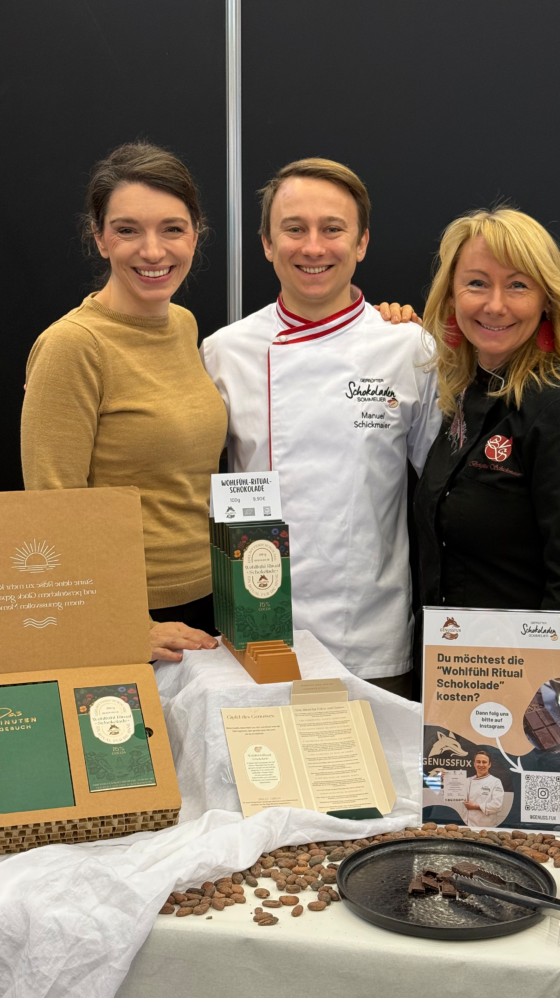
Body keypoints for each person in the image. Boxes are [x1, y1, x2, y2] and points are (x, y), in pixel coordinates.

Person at [201, 159, 442, 696]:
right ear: (266, 242)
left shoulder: (409, 348)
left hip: (371, 638)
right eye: (294, 229)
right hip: (256, 634)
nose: (314, 247)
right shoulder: (223, 353)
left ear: (361, 243)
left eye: (333, 229)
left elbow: (446, 492)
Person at [379, 206, 560, 718]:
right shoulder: (466, 394)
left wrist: (550, 707)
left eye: (519, 286)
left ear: (548, 298)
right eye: (477, 283)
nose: (496, 305)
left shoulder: (559, 406)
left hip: (522, 695)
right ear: (452, 296)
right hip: (456, 680)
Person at [21, 142, 227, 662]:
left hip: (208, 600)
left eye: (172, 229)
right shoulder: (73, 346)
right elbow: (52, 508)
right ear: (100, 238)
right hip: (129, 617)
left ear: (195, 235)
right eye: (128, 229)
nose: (153, 251)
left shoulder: (182, 325)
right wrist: (119, 624)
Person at [462, 751, 505, 828]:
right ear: (474, 764)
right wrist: (444, 778)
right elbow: (451, 789)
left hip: (487, 827)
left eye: (484, 762)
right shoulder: (467, 781)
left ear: (489, 765)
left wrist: (475, 807)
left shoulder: (495, 782)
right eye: (478, 762)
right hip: (467, 826)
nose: (481, 765)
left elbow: (497, 805)